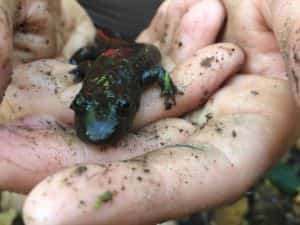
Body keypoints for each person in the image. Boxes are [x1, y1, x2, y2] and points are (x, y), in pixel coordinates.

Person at [0, 0, 299, 225]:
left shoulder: (139, 74)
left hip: (139, 51)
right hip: (96, 36)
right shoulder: (93, 75)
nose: (98, 129)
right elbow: (92, 73)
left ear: (132, 96)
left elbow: (157, 71)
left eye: (123, 108)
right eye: (81, 105)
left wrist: (168, 86)